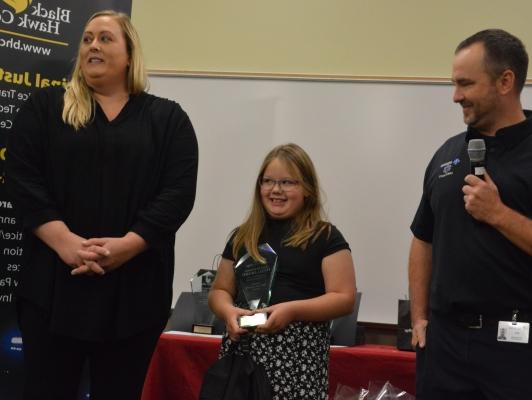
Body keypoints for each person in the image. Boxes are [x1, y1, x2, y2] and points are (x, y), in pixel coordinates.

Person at [6, 10, 198, 400]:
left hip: (135, 297)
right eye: (87, 38)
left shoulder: (168, 120)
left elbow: (177, 193)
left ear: (130, 54)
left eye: (106, 38)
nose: (93, 45)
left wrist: (127, 245)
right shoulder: (45, 108)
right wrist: (66, 243)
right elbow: (22, 178)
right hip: (52, 292)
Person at [408, 29, 532, 400]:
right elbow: (422, 238)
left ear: (505, 81)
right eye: (454, 84)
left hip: (520, 351)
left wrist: (499, 214)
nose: (455, 96)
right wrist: (419, 318)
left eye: (465, 84)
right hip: (444, 348)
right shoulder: (446, 153)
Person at [208, 143, 356, 399]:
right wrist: (228, 312)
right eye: (268, 181)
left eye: (288, 182)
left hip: (298, 360)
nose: (276, 190)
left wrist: (292, 310)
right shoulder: (242, 236)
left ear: (307, 190)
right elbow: (219, 290)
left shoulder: (325, 236)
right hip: (243, 355)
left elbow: (344, 298)